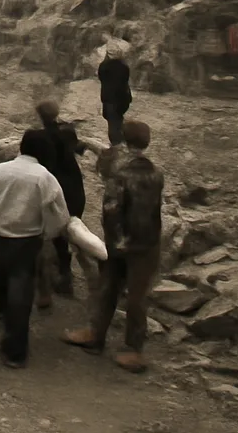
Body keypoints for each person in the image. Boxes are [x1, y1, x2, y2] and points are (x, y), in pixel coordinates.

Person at [62, 120, 164, 373]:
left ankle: (99, 334)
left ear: (124, 139)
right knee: (137, 297)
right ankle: (131, 347)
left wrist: (114, 241)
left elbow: (111, 210)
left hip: (121, 242)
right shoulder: (155, 173)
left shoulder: (120, 173)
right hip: (147, 243)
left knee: (110, 289)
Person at [0, 135, 70, 368]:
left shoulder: (0, 170)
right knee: (20, 293)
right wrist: (48, 234)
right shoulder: (45, 178)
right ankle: (14, 352)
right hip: (26, 241)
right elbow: (61, 217)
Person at [20, 101, 89, 302]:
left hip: (53, 186)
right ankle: (66, 274)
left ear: (39, 116)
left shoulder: (38, 137)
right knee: (68, 231)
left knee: (46, 235)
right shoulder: (67, 132)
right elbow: (80, 149)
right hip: (74, 187)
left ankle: (49, 283)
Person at [98, 42, 132, 144]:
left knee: (113, 126)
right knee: (118, 120)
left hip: (110, 101)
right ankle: (124, 140)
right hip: (123, 99)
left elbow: (101, 78)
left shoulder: (103, 67)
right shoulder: (124, 66)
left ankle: (117, 147)